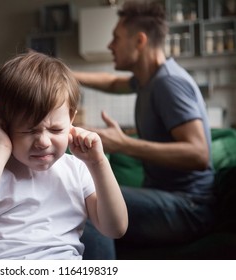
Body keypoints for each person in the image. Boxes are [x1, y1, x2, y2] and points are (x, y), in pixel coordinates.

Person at [0, 51, 128, 260]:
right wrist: (0, 149)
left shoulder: (77, 169)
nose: (43, 141)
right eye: (29, 130)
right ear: (3, 126)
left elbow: (115, 228)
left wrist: (98, 162)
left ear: (71, 119)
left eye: (56, 130)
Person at [73, 0, 216, 259]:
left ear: (140, 41)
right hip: (171, 199)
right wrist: (63, 73)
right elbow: (113, 82)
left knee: (90, 204)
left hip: (189, 207)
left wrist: (123, 144)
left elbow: (199, 154)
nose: (110, 46)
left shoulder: (168, 83)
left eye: (116, 38)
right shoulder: (147, 80)